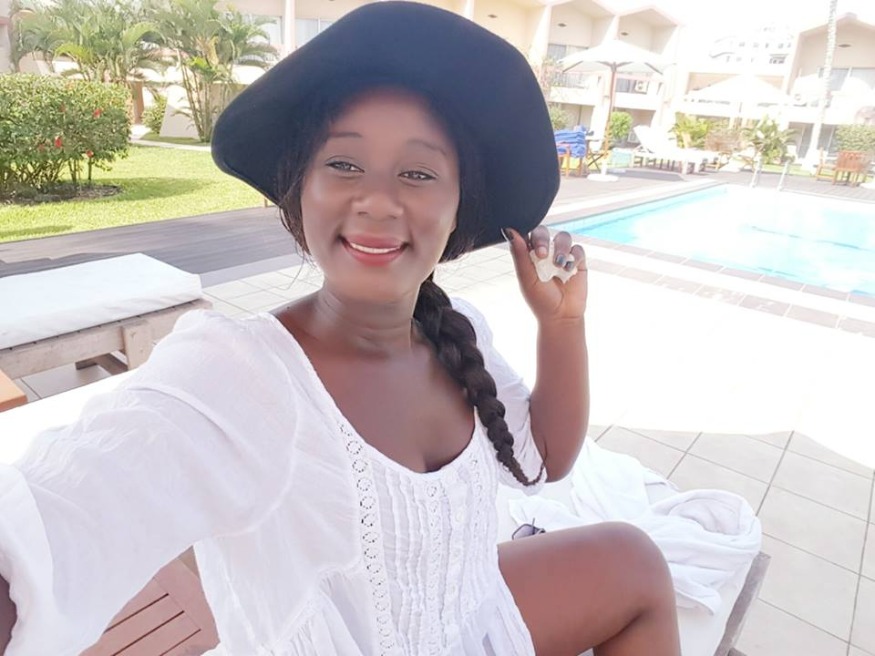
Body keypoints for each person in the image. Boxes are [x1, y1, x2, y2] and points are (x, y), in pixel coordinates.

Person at [0, 3, 680, 654]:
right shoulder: (240, 375)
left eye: (417, 172)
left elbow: (542, 461)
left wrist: (562, 324)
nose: (377, 200)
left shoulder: (459, 334)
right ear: (301, 190)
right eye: (344, 164)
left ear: (457, 210)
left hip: (468, 614)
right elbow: (63, 514)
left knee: (634, 562)